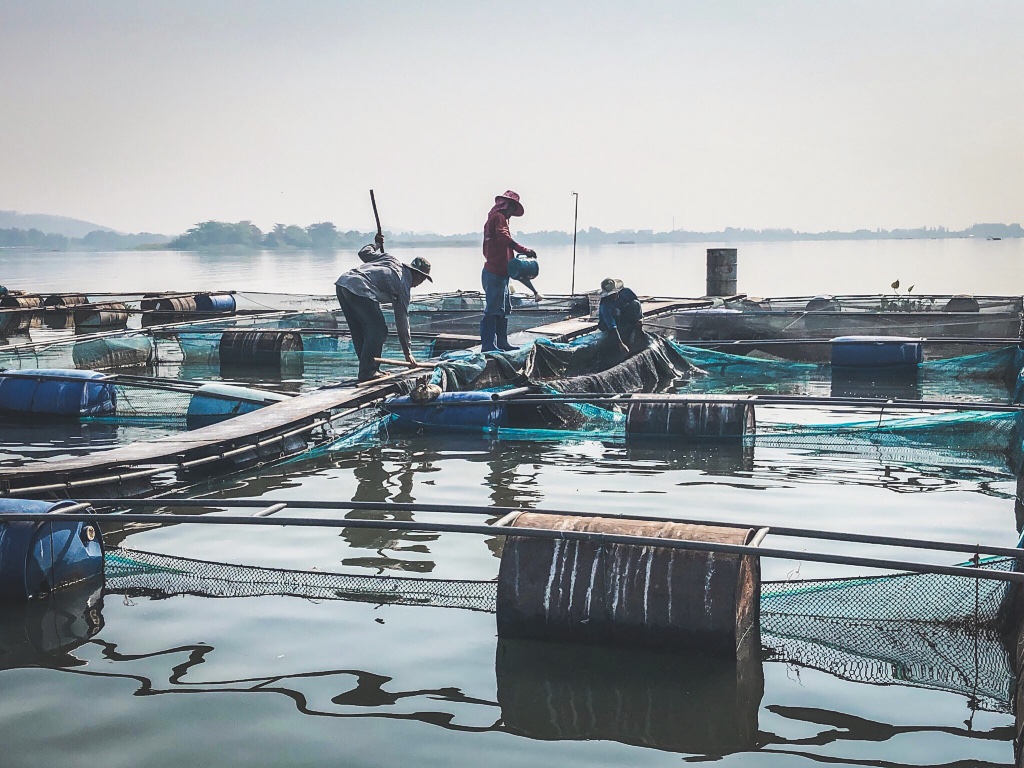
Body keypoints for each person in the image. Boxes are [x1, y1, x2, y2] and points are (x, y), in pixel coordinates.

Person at [335, 242, 432, 382]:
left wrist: (376, 244)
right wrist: (407, 352)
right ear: (418, 275)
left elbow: (364, 252)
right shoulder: (403, 286)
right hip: (360, 287)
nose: (418, 284)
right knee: (379, 329)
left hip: (343, 283)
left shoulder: (389, 259)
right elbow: (402, 321)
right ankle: (369, 371)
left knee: (359, 330)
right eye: (422, 280)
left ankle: (368, 369)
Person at [481, 190, 540, 352]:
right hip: (493, 272)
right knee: (493, 310)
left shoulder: (498, 219)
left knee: (503, 310)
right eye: (512, 208)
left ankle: (502, 342)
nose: (512, 213)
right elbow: (503, 237)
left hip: (502, 273)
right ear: (507, 205)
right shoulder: (498, 218)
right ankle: (488, 346)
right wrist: (523, 249)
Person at [597, 277, 644, 353]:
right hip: (609, 325)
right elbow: (611, 325)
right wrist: (620, 343)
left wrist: (641, 318)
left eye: (614, 293)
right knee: (615, 312)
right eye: (611, 294)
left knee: (634, 303)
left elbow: (637, 303)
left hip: (623, 318)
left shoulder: (626, 292)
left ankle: (635, 331)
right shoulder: (605, 305)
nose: (614, 296)